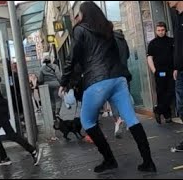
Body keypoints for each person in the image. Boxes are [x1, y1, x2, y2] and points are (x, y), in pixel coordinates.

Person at [59, 1, 156, 173]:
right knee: (132, 119)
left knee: (87, 121)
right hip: (118, 79)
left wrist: (65, 82)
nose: (78, 17)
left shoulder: (80, 30)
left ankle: (109, 160)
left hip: (97, 81)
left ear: (83, 14)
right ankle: (148, 162)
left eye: (79, 14)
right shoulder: (108, 29)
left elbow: (72, 58)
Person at [147, 22, 175, 124]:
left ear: (166, 30)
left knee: (171, 92)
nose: (161, 32)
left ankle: (158, 110)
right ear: (156, 31)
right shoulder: (152, 43)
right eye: (158, 30)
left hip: (171, 71)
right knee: (161, 93)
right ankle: (167, 116)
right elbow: (149, 58)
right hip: (159, 72)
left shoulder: (172, 41)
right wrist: (154, 70)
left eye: (162, 30)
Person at [167, 1, 183, 151]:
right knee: (181, 107)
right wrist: (176, 66)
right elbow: (178, 44)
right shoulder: (175, 15)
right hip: (179, 69)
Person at [111, 29, 132, 138]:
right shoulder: (123, 41)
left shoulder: (109, 40)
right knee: (126, 97)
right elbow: (127, 55)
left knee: (114, 99)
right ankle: (129, 121)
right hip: (125, 73)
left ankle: (118, 119)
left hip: (113, 75)